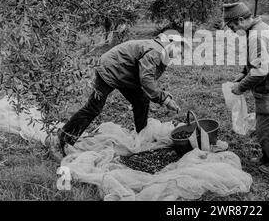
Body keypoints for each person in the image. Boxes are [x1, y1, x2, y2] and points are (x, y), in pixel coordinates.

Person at [51, 33, 183, 159]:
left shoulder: (161, 51)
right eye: (178, 47)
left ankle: (142, 137)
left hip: (125, 73)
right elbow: (147, 80)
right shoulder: (155, 52)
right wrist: (165, 99)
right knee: (93, 108)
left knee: (141, 101)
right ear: (170, 44)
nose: (178, 53)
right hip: (109, 69)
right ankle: (63, 139)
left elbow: (148, 76)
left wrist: (161, 95)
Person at [223, 2, 269, 175]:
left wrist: (240, 87)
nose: (232, 30)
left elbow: (259, 72)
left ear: (240, 20)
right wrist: (243, 74)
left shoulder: (257, 35)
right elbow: (259, 61)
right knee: (263, 126)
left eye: (232, 26)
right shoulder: (258, 29)